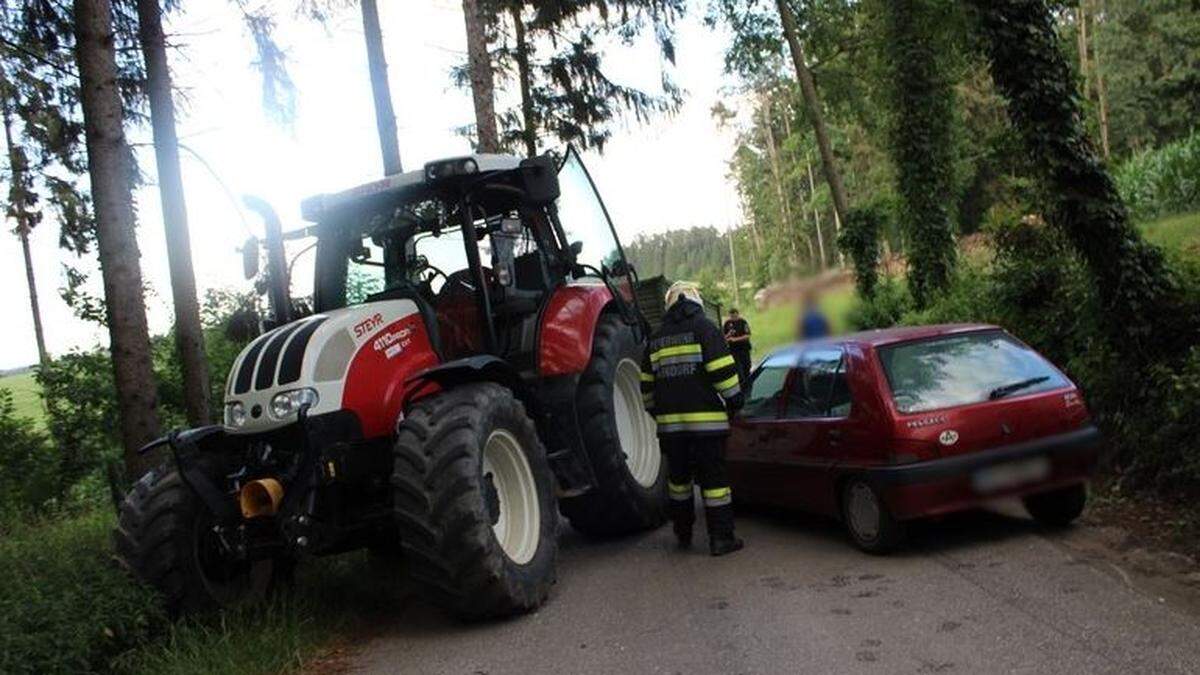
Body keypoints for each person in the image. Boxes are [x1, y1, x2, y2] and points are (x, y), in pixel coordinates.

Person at [641, 281, 745, 556]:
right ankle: (721, 538)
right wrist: (735, 401)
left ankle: (683, 534)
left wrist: (659, 415)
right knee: (714, 484)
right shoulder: (705, 328)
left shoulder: (656, 337)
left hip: (671, 430)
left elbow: (646, 388)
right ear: (696, 302)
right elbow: (722, 372)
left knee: (679, 483)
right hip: (707, 427)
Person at [722, 308, 753, 386]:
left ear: (737, 314)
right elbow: (723, 338)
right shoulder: (727, 324)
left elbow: (747, 335)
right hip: (734, 351)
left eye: (735, 316)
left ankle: (749, 384)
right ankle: (742, 386)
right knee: (739, 371)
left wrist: (735, 339)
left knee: (747, 367)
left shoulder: (743, 322)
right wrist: (729, 334)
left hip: (744, 349)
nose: (733, 318)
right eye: (732, 316)